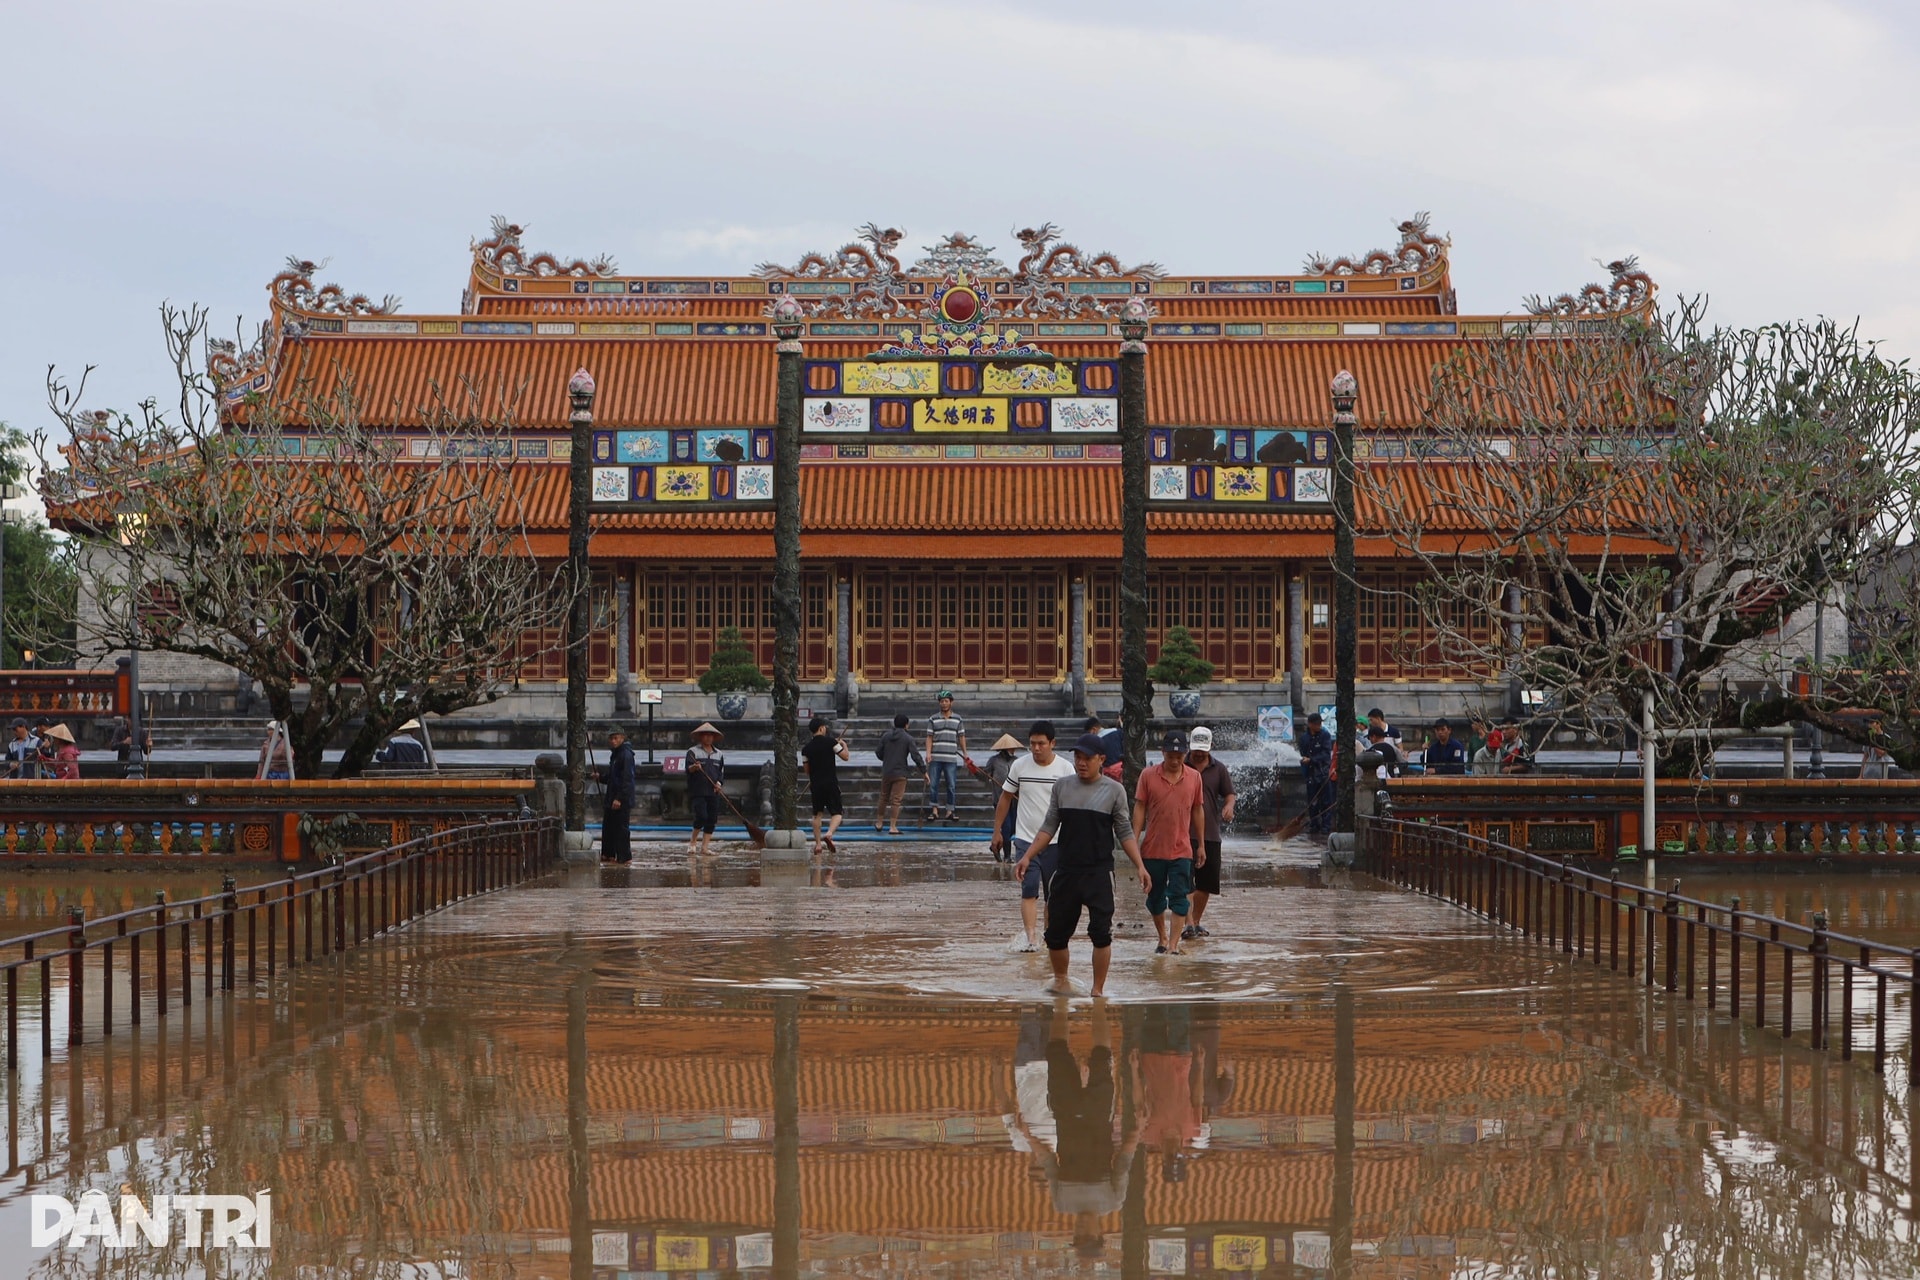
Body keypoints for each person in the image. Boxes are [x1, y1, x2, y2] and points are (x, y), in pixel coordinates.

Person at [1014, 733, 1150, 997]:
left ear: (1101, 760)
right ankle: (1060, 980)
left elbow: (1124, 832)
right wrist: (1028, 856)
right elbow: (1048, 826)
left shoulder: (1114, 790)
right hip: (1066, 871)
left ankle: (1097, 990)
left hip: (1099, 873)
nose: (1081, 763)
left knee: (1101, 933)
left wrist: (1140, 866)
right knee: (1055, 935)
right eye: (1077, 757)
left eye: (1087, 758)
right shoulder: (1062, 787)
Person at [1002, 1000, 1138, 1264]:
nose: (1080, 1231)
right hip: (1099, 1115)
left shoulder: (1062, 1203)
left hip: (1064, 1114)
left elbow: (1049, 1161)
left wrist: (1028, 1134)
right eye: (1086, 1235)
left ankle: (1061, 1007)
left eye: (1078, 1236)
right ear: (1099, 1233)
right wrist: (1138, 1129)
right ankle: (1099, 1004)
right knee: (1102, 1054)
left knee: (1056, 1052)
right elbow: (1123, 1160)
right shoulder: (1112, 1201)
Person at [992, 721, 1076, 952]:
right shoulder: (1020, 766)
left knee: (1054, 894)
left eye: (1041, 744)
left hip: (1057, 841)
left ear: (1052, 744)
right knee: (1029, 888)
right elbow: (1006, 798)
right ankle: (1031, 939)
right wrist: (997, 830)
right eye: (1032, 744)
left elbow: (1072, 805)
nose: (1036, 749)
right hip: (1025, 840)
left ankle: (1050, 936)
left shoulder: (1066, 770)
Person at [1133, 731, 1206, 956]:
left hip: (1182, 850)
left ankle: (1174, 945)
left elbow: (1197, 810)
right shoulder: (1147, 776)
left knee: (1179, 896)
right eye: (1171, 756)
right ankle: (1162, 938)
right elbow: (1140, 808)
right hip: (1153, 849)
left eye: (1179, 756)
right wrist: (1133, 840)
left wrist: (1201, 844)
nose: (1175, 761)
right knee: (1155, 898)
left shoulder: (1194, 777)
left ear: (1185, 754)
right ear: (1163, 753)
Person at [1135, 1004, 1208, 1185]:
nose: (1173, 1151)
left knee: (1154, 1011)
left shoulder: (1148, 1135)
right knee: (1179, 1010)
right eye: (1176, 1156)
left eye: (1170, 1157)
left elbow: (1138, 1104)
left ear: (1163, 1159)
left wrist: (1133, 1070)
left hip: (1152, 1060)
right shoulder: (1193, 1130)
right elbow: (1197, 1099)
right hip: (1181, 1059)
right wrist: (1200, 1065)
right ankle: (1177, 980)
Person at [1183, 726, 1235, 941]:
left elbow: (1230, 793)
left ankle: (1194, 921)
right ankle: (1186, 923)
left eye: (1202, 751)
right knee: (1185, 881)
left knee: (1206, 883)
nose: (1199, 754)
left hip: (1210, 833)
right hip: (1183, 832)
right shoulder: (1180, 765)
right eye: (1196, 750)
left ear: (1210, 747)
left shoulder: (1219, 769)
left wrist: (1229, 806)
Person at [801, 718, 850, 855]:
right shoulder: (831, 743)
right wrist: (843, 744)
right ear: (822, 728)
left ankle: (817, 845)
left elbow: (807, 771)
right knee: (837, 813)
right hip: (831, 783)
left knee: (817, 815)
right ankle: (829, 833)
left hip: (816, 784)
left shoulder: (806, 749)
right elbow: (845, 757)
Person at [874, 713, 926, 834]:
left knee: (883, 797)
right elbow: (916, 756)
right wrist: (924, 771)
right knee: (896, 800)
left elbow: (878, 752)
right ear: (906, 725)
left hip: (887, 771)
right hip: (900, 773)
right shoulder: (908, 739)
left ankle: (879, 822)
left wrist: (886, 759)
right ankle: (892, 826)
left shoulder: (886, 736)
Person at [925, 691, 968, 822]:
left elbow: (961, 737)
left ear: (951, 702)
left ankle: (950, 810)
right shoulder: (933, 719)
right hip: (936, 757)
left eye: (946, 701)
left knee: (951, 785)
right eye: (942, 701)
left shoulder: (958, 719)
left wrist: (965, 754)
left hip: (951, 758)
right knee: (933, 785)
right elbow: (929, 737)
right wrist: (928, 753)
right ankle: (934, 810)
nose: (944, 704)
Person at [685, 722, 725, 857]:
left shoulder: (719, 754)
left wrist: (719, 784)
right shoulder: (692, 752)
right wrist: (695, 767)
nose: (708, 738)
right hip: (698, 790)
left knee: (712, 818)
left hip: (713, 791)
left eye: (710, 736)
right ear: (701, 737)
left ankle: (705, 847)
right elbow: (688, 769)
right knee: (701, 816)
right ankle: (692, 842)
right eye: (705, 735)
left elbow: (721, 773)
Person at [984, 733, 1023, 860]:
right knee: (1006, 827)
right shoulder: (994, 761)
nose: (1013, 751)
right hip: (1000, 799)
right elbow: (984, 776)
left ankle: (996, 844)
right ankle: (1007, 856)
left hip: (1015, 800)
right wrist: (973, 769)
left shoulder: (1017, 762)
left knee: (1012, 828)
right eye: (1011, 748)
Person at [601, 727, 636, 864]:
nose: (613, 741)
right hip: (611, 795)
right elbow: (612, 776)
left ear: (622, 738)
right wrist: (601, 777)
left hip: (621, 798)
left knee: (621, 828)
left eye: (616, 738)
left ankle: (624, 856)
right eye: (611, 738)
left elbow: (627, 779)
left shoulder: (626, 755)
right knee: (609, 826)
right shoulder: (615, 755)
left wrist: (619, 798)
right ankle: (608, 853)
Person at [1300, 713, 1335, 836]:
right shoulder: (1304, 738)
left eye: (1320, 723)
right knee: (1312, 802)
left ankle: (1326, 826)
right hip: (1310, 775)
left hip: (1323, 773)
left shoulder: (1325, 736)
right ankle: (1314, 825)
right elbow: (1302, 753)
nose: (1319, 726)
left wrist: (1312, 759)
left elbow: (1326, 755)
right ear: (1310, 724)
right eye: (1316, 724)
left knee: (1326, 801)